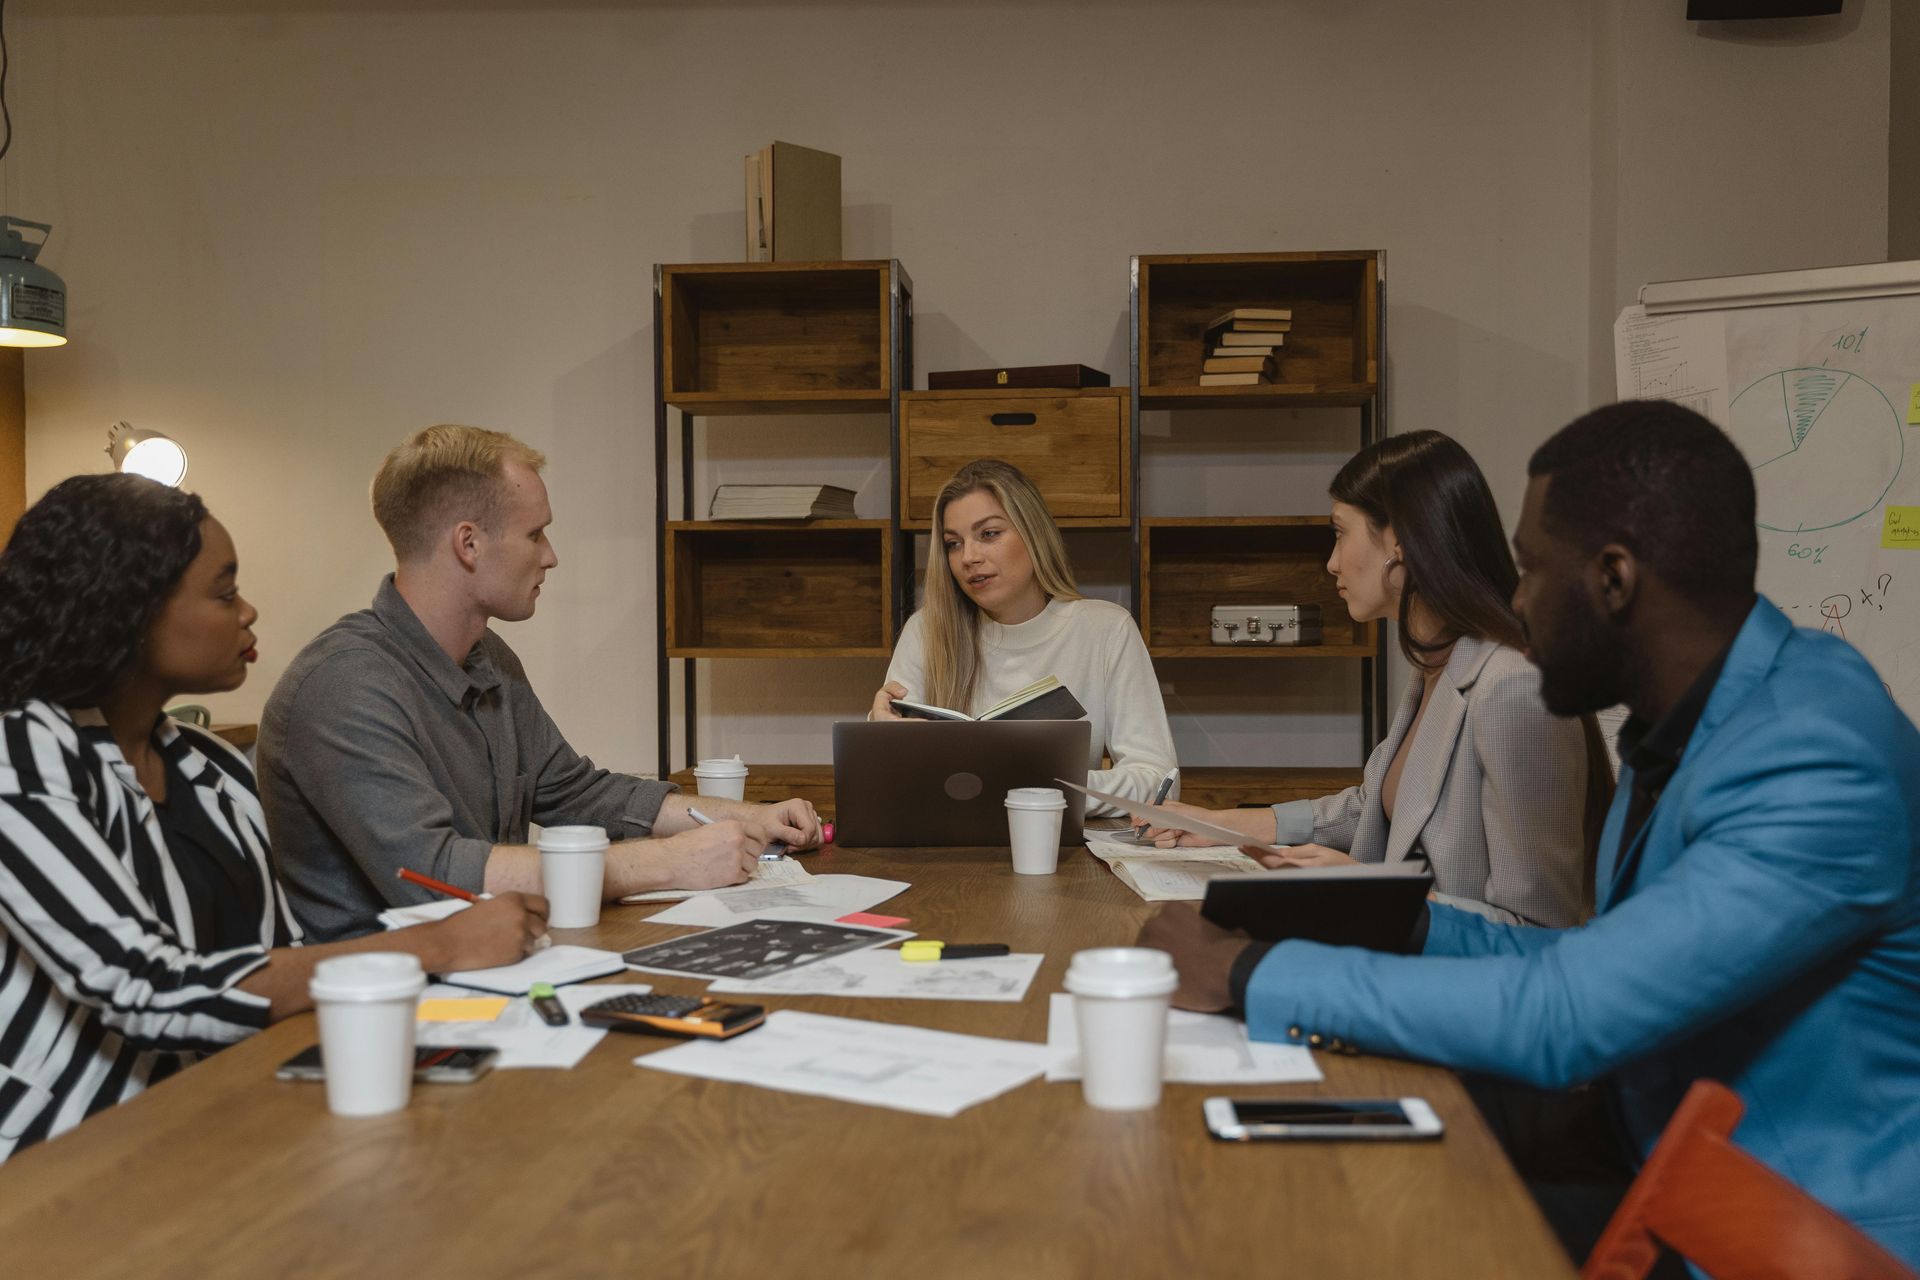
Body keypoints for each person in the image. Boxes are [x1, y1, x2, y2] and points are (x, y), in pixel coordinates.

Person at [1138, 402, 1920, 1266]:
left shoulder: (1816, 756)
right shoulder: (1692, 723)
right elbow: (1586, 958)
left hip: (1782, 1230)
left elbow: (1568, 1012)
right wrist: (1394, 918)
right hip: (1644, 1147)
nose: (1513, 600)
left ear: (1613, 580)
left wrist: (1249, 971)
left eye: (1531, 569)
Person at [0, 475, 547, 1162]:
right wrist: (440, 945)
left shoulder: (209, 764)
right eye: (224, 593)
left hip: (224, 1118)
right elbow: (150, 990)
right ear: (128, 609)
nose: (248, 612)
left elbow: (281, 959)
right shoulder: (20, 757)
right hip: (66, 1156)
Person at [259, 425, 823, 942]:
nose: (550, 556)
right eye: (535, 534)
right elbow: (432, 875)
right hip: (383, 1003)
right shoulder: (342, 686)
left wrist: (747, 817)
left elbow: (576, 793)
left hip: (493, 965)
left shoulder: (488, 658)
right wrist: (669, 861)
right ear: (468, 543)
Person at [1142, 431, 1610, 925]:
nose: (1331, 561)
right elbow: (1375, 806)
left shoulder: (1514, 686)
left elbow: (1539, 929)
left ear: (1400, 543)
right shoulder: (1438, 664)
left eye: (1340, 532)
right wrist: (1226, 825)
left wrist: (1362, 889)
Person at [867, 458, 1176, 815]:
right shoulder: (926, 631)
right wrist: (880, 735)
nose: (968, 557)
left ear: (1033, 533)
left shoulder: (1106, 629)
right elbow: (886, 783)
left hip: (1057, 846)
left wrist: (1045, 789)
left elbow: (1158, 782)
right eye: (953, 543)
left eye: (989, 534)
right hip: (947, 848)